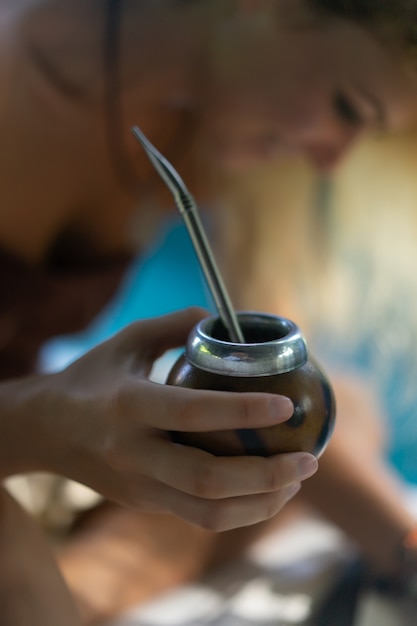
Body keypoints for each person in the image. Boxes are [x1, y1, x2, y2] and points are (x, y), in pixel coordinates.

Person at [2, 0, 417, 624]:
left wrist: (405, 543)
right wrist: (45, 421)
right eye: (348, 106)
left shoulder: (195, 134)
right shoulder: (19, 83)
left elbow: (270, 393)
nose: (335, 159)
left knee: (326, 418)